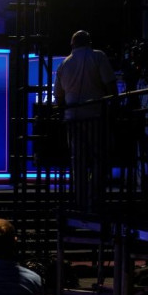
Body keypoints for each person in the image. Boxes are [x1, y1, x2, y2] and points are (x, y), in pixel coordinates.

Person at [53, 30, 118, 211]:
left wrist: (64, 110)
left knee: (78, 160)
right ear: (89, 43)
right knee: (99, 158)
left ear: (72, 44)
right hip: (95, 116)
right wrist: (114, 108)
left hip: (73, 119)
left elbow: (58, 96)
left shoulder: (64, 64)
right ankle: (95, 199)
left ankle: (80, 200)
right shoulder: (98, 57)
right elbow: (111, 86)